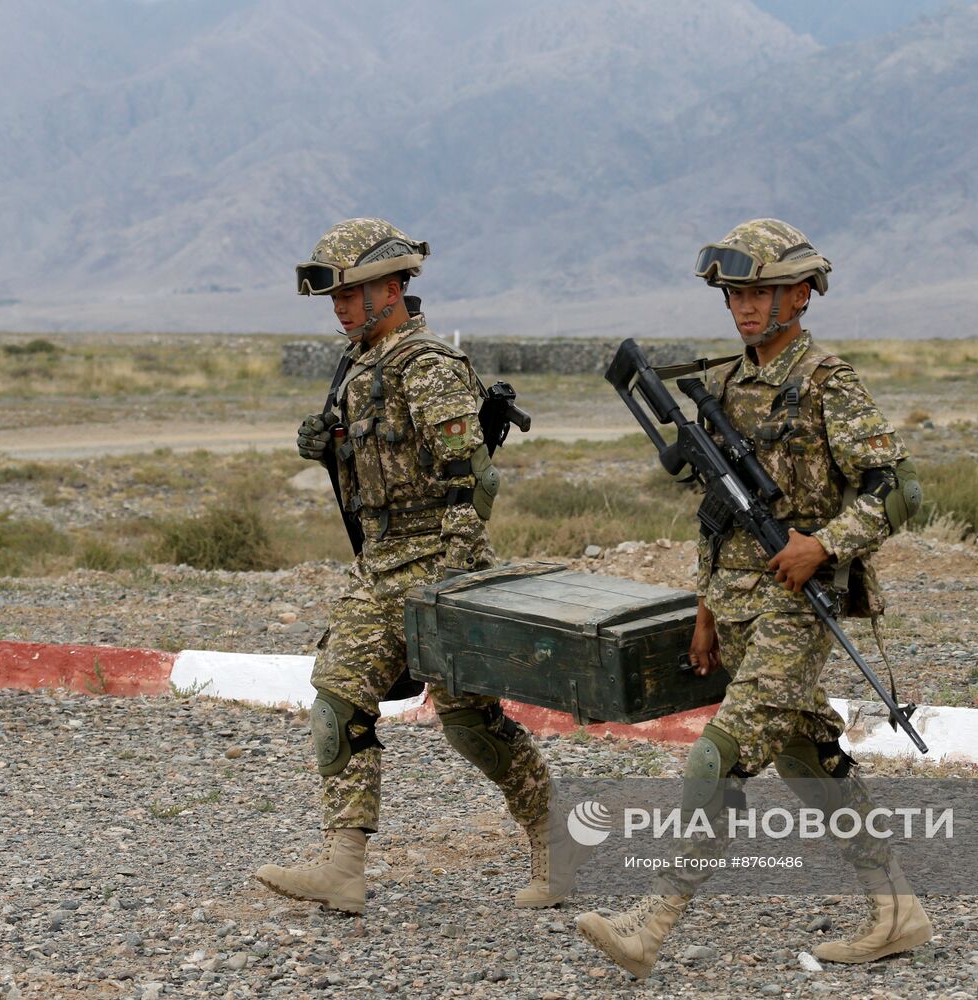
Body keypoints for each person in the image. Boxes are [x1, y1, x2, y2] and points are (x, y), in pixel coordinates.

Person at [575, 219, 932, 977]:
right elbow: (721, 518)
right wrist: (705, 607)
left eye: (761, 291)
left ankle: (652, 921)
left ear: (801, 295)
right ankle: (896, 910)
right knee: (809, 760)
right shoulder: (731, 382)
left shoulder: (826, 382)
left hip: (798, 607)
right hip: (737, 607)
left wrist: (823, 544)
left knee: (718, 757)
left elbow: (898, 489)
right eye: (736, 292)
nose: (744, 306)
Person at [255, 218, 573, 914]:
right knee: (339, 695)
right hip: (382, 568)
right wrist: (327, 444)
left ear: (393, 287)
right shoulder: (361, 362)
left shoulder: (426, 365)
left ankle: (556, 846)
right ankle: (343, 866)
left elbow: (474, 484)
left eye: (352, 292)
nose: (339, 307)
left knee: (472, 727)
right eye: (334, 295)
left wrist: (450, 576)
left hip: (437, 568)